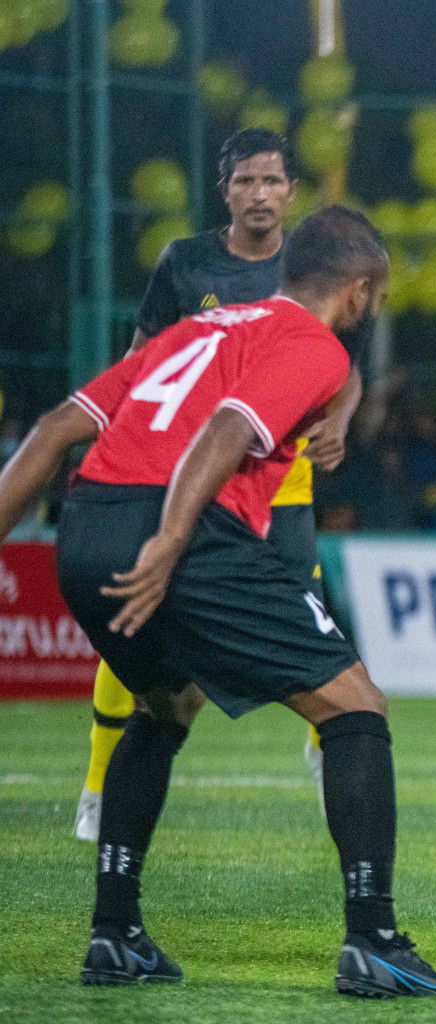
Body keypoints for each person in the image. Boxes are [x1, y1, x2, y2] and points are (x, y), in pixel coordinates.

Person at [0, 207, 436, 997]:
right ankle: (375, 940)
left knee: (165, 704)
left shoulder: (191, 332)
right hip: (178, 533)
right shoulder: (314, 344)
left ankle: (115, 934)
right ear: (357, 291)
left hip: (86, 534)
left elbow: (48, 433)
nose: (372, 311)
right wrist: (171, 542)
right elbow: (223, 431)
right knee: (357, 709)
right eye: (374, 297)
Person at [75, 128, 363, 841]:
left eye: (272, 182)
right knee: (139, 632)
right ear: (224, 190)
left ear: (292, 192)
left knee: (315, 628)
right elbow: (144, 359)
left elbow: (343, 368)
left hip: (281, 485)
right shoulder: (185, 264)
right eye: (245, 182)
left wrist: (343, 420)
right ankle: (96, 784)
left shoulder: (308, 267)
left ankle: (337, 752)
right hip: (184, 482)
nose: (259, 195)